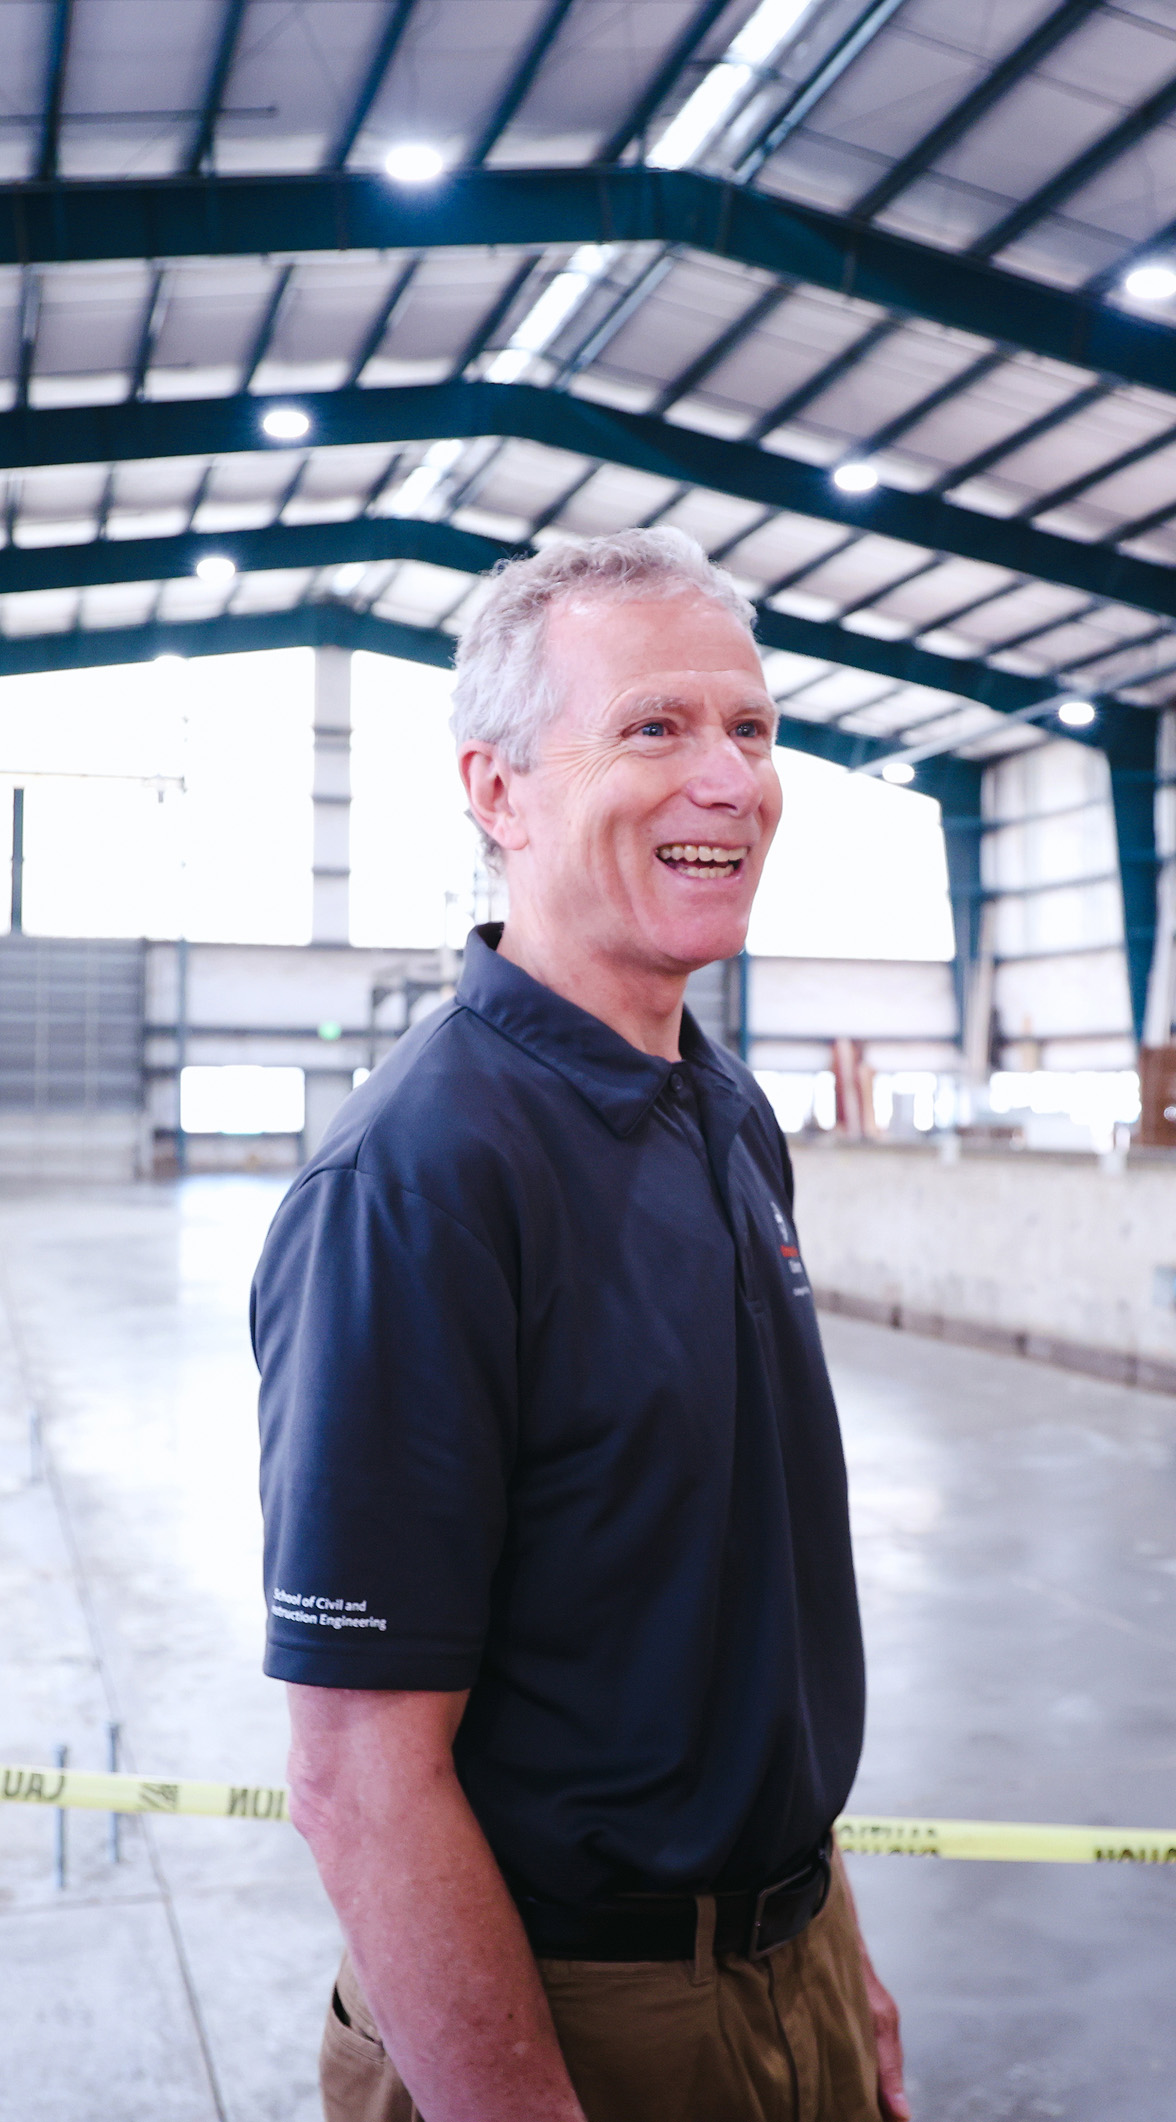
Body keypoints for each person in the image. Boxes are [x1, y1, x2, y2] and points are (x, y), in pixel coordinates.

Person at [252, 528, 906, 2122]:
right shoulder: (415, 1179)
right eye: (656, 727)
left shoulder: (728, 1113)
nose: (732, 779)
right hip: (560, 2015)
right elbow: (358, 1779)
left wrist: (838, 1956)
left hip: (784, 1957)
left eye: (752, 727)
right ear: (497, 791)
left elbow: (733, 1626)